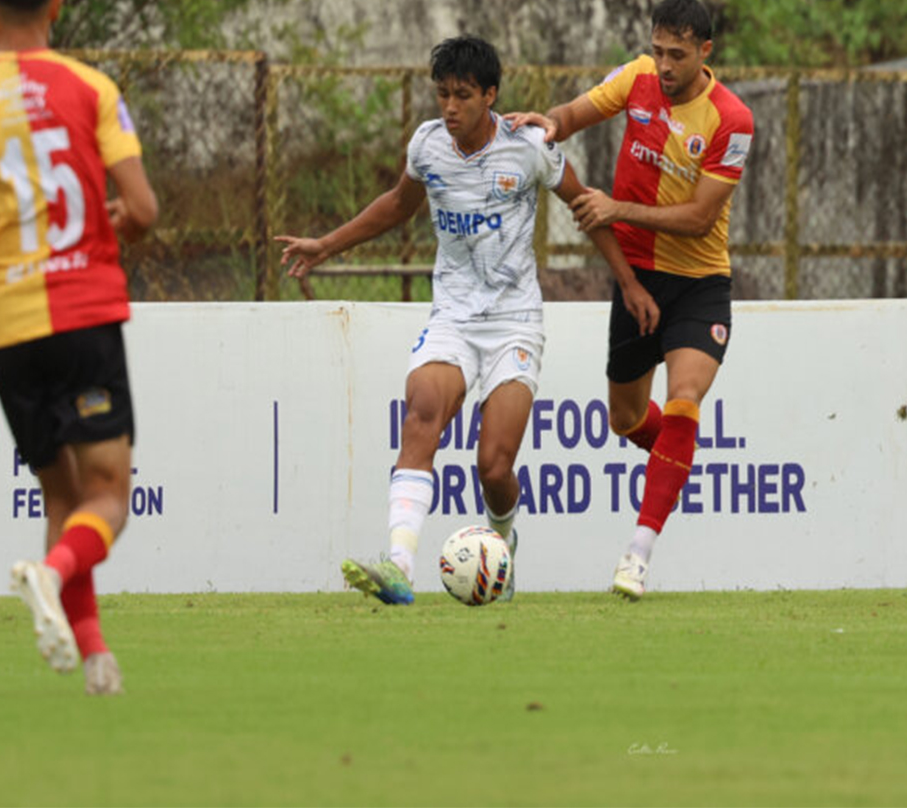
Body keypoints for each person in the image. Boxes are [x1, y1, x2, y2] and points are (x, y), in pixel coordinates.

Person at [276, 35, 655, 606]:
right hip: (452, 316)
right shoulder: (428, 145)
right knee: (422, 415)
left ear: (490, 96)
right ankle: (399, 566)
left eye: (462, 96)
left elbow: (584, 205)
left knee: (493, 465)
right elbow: (398, 205)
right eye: (442, 95)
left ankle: (500, 549)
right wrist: (327, 245)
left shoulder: (528, 147)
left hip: (514, 322)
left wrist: (627, 282)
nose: (449, 108)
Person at [0, 0, 158, 695]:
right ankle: (52, 575)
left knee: (62, 495)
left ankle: (95, 660)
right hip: (83, 308)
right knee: (108, 495)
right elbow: (145, 211)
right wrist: (107, 220)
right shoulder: (91, 89)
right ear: (56, 6)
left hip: (8, 322)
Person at [507, 0, 754, 599]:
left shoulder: (732, 120)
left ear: (705, 52)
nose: (664, 65)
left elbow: (698, 219)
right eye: (658, 51)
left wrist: (616, 208)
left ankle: (636, 554)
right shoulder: (638, 78)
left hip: (699, 283)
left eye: (677, 54)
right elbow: (577, 111)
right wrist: (549, 124)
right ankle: (677, 457)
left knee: (686, 397)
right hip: (636, 278)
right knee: (625, 419)